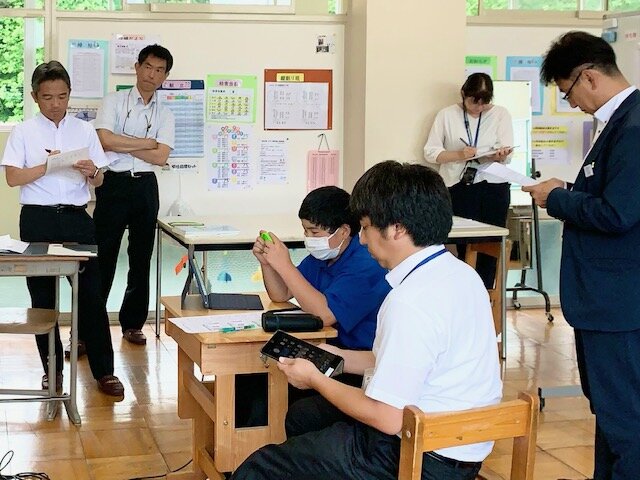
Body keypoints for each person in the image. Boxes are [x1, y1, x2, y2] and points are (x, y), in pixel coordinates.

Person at [231, 161, 502, 480]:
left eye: (366, 227)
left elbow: (387, 418)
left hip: (419, 454)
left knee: (261, 467)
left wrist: (316, 379)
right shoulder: (462, 275)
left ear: (396, 228)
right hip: (462, 444)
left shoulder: (408, 300)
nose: (362, 239)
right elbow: (405, 360)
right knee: (305, 417)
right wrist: (332, 356)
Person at [523, 31, 640, 480]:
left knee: (626, 423)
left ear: (588, 76)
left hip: (619, 305)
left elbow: (619, 213)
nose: (571, 103)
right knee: (610, 417)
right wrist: (569, 191)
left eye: (567, 91)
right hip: (605, 303)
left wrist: (558, 199)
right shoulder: (620, 122)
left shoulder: (633, 126)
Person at [1, 61, 124, 397]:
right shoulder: (24, 131)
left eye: (62, 96)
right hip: (37, 219)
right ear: (34, 97)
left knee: (91, 296)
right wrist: (48, 166)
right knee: (42, 298)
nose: (56, 104)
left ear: (69, 94)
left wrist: (91, 172)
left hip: (76, 219)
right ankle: (52, 371)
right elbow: (12, 177)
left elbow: (99, 180)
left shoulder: (84, 131)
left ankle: (105, 372)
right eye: (48, 97)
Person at [244, 186, 391, 430]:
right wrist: (269, 264)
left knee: (269, 397)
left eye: (314, 231)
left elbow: (324, 315)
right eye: (305, 230)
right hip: (328, 350)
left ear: (344, 231)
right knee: (250, 383)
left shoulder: (365, 263)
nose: (309, 238)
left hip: (356, 364)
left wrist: (285, 264)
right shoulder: (323, 257)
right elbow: (282, 294)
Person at [92, 44, 175, 347]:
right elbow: (104, 140)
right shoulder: (113, 101)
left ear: (165, 76)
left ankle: (132, 324)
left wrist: (124, 142)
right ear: (137, 67)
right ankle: (91, 327)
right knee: (103, 257)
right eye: (148, 67)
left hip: (145, 187)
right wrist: (146, 142)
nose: (152, 74)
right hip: (113, 184)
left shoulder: (165, 113)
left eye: (159, 70)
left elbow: (161, 157)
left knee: (141, 258)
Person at [424, 72, 513, 288]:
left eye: (484, 103)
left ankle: (487, 292)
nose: (478, 107)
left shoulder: (500, 114)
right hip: (459, 186)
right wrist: (459, 155)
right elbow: (431, 153)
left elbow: (508, 154)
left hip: (493, 186)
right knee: (463, 244)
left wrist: (499, 155)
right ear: (463, 94)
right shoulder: (447, 115)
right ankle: (465, 291)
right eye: (474, 101)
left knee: (491, 244)